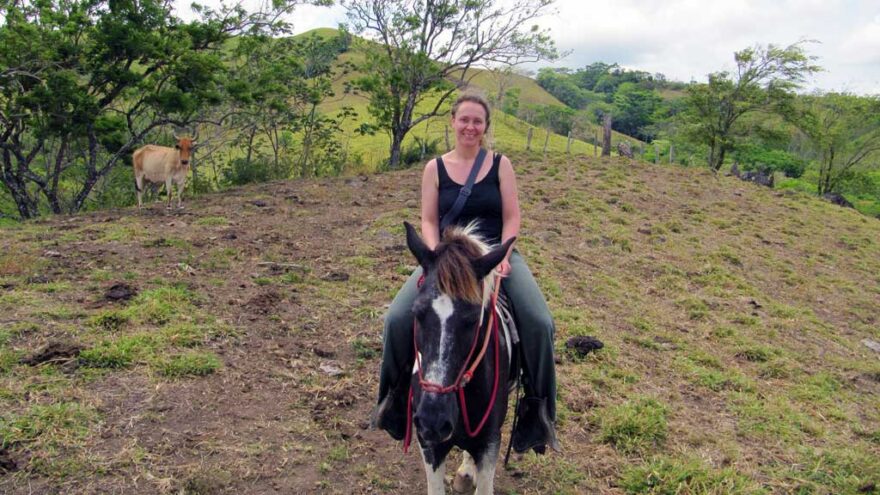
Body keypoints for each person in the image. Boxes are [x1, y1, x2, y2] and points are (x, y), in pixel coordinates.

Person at [372, 91, 559, 454]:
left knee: (539, 322)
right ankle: (393, 403)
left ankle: (537, 415)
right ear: (453, 121)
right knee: (396, 318)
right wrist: (432, 256)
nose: (470, 127)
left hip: (492, 256)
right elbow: (428, 220)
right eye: (464, 119)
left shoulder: (501, 165)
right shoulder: (434, 168)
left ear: (485, 126)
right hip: (447, 260)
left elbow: (512, 217)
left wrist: (504, 255)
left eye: (478, 121)